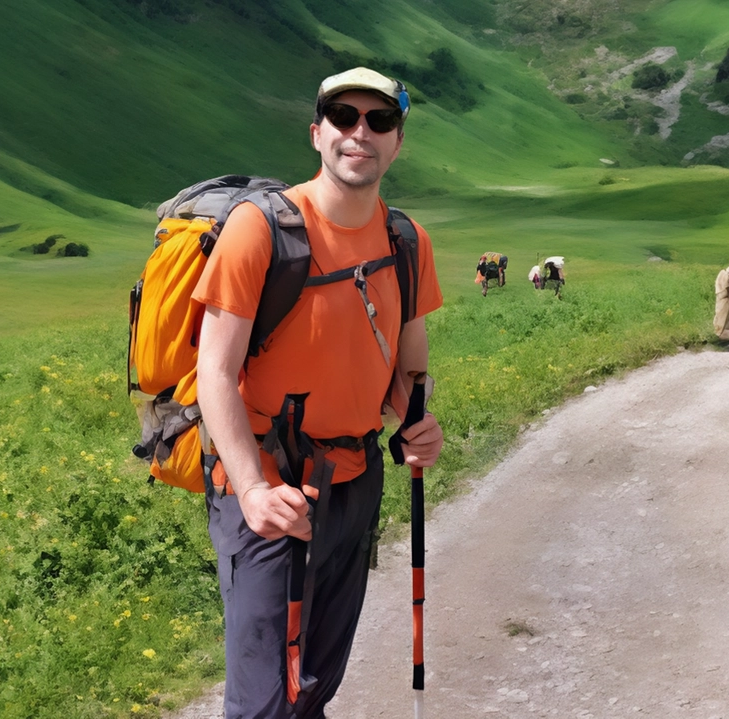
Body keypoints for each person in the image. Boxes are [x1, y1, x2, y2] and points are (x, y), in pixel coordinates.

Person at [193, 67, 445, 719]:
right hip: (270, 484)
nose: (360, 132)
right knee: (264, 700)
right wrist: (251, 488)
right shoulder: (260, 230)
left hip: (355, 481)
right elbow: (213, 371)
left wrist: (417, 419)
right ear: (317, 133)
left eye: (380, 120)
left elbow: (408, 368)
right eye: (343, 116)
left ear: (397, 142)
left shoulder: (406, 241)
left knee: (315, 683)